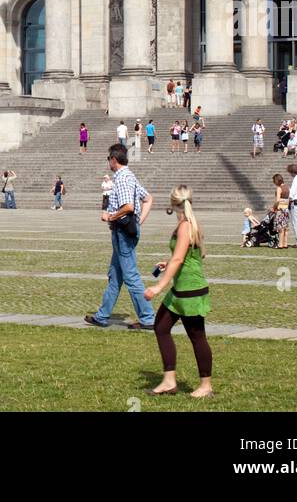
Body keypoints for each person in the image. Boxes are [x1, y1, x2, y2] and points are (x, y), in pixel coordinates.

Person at [144, 186, 213, 399]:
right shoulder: (190, 223)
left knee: (197, 336)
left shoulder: (185, 226)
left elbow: (179, 259)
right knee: (161, 327)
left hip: (189, 291)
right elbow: (190, 256)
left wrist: (158, 287)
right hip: (182, 288)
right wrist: (169, 263)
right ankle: (169, 381)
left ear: (174, 204)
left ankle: (205, 386)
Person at [84, 143, 154, 330]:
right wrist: (139, 222)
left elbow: (128, 207)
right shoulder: (130, 176)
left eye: (109, 159)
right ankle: (102, 316)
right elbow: (148, 199)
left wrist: (110, 216)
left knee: (130, 276)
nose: (108, 162)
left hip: (123, 233)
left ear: (114, 160)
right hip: (125, 232)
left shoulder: (122, 178)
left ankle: (148, 318)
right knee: (115, 275)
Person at [272, 173, 290, 250]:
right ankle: (285, 244)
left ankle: (280, 244)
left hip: (280, 209)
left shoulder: (279, 188)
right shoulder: (286, 187)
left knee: (280, 228)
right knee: (285, 227)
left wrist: (274, 207)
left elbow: (278, 200)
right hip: (286, 209)